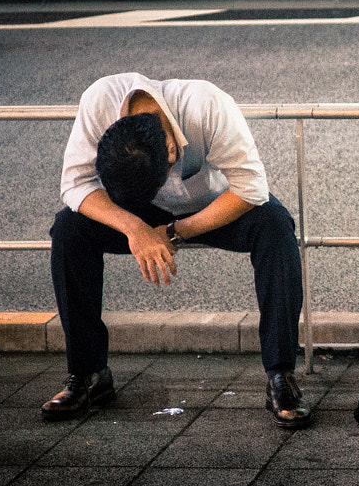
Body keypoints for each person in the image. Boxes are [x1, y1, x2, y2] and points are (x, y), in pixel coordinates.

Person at [44, 74, 312, 429]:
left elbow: (251, 188)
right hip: (134, 210)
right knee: (68, 229)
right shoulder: (98, 100)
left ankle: (281, 375)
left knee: (276, 226)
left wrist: (173, 232)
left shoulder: (207, 105)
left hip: (214, 205)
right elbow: (75, 184)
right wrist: (134, 227)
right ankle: (88, 373)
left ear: (171, 147)